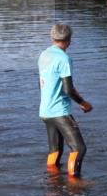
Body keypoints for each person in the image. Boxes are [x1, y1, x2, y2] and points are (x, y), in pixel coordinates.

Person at [38, 24, 92, 177]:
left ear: (52, 37)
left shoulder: (44, 55)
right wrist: (84, 104)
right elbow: (68, 90)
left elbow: (43, 83)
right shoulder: (64, 58)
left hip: (45, 110)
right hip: (59, 111)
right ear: (69, 40)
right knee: (79, 149)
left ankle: (53, 179)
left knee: (55, 149)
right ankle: (75, 183)